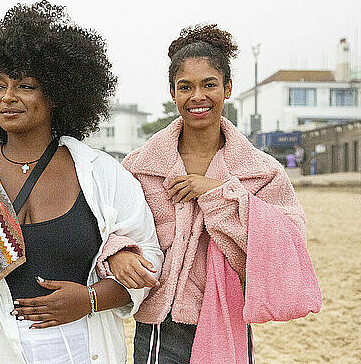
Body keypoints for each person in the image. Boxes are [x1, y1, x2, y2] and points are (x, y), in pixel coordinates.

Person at [0, 1, 163, 364]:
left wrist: (90, 300)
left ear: (57, 94)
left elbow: (149, 260)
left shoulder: (101, 174)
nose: (8, 97)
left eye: (25, 85)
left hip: (81, 349)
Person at [98, 24, 321, 363]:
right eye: (185, 86)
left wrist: (219, 192)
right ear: (173, 93)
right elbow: (105, 224)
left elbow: (289, 243)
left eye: (209, 85)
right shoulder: (140, 167)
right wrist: (117, 253)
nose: (197, 96)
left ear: (228, 88)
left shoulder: (261, 172)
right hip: (162, 323)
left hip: (229, 318)